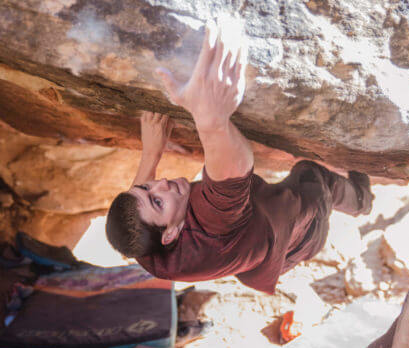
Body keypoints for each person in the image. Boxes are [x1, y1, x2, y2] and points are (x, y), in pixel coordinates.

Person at [106, 23, 373, 294]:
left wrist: (151, 153)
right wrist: (211, 118)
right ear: (171, 235)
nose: (160, 182)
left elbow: (137, 209)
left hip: (260, 256)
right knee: (312, 174)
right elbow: (235, 170)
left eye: (146, 187)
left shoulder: (144, 247)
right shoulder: (213, 225)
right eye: (158, 201)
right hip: (301, 233)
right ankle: (363, 201)